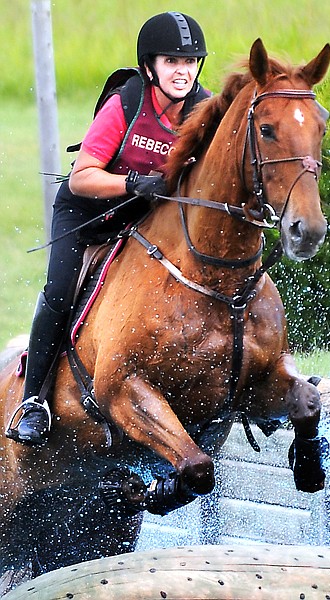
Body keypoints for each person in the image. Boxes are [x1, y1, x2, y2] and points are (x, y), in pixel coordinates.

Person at [6, 11, 210, 446]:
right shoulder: (128, 103)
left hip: (143, 223)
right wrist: (133, 183)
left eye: (190, 62)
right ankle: (33, 400)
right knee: (61, 291)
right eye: (172, 61)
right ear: (149, 66)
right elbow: (82, 177)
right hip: (87, 217)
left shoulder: (203, 111)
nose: (183, 72)